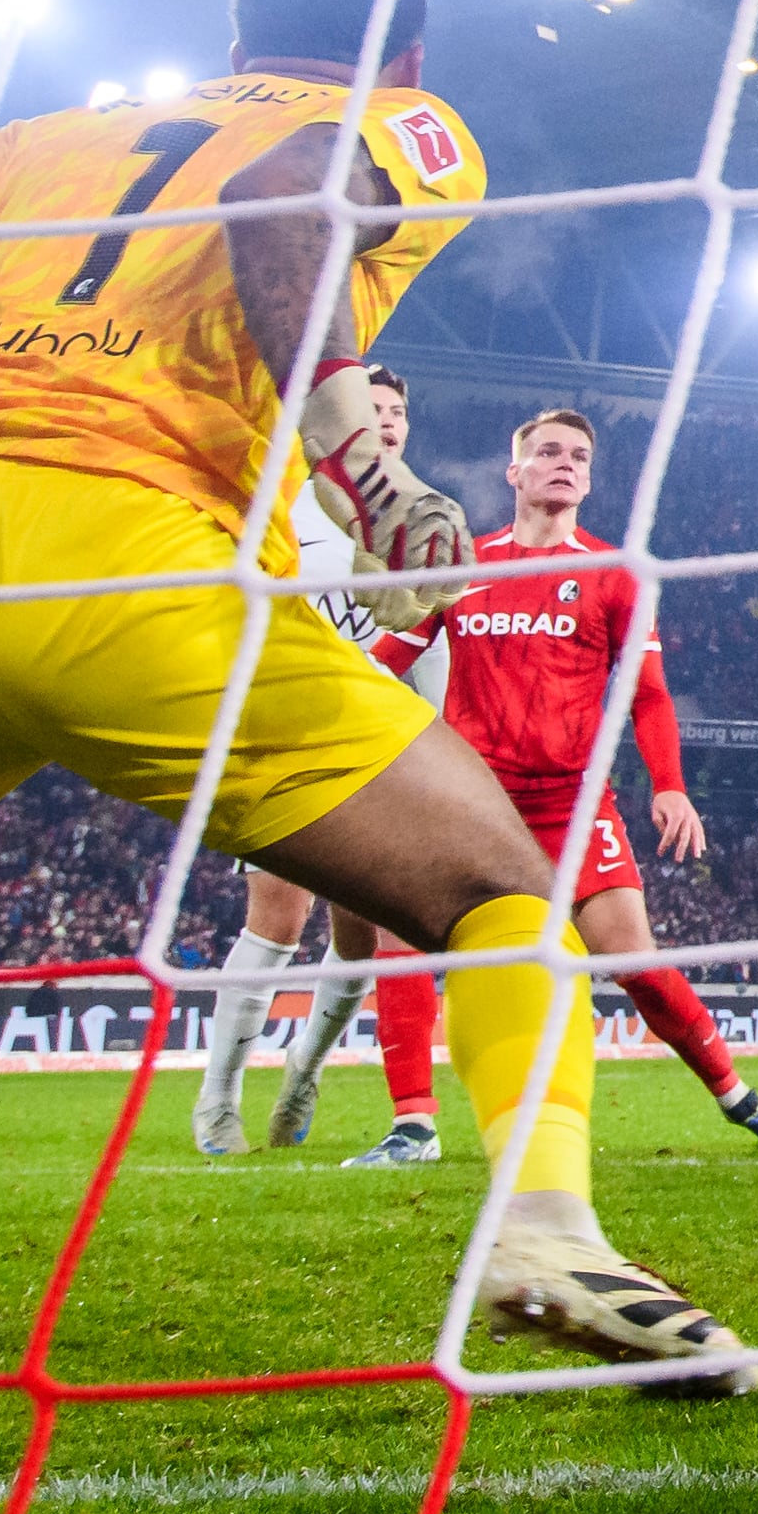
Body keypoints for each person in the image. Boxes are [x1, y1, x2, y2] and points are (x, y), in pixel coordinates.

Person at [0, 0, 758, 1391]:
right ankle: (545, 1230)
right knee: (496, 888)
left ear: (235, 36)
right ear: (411, 55)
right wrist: (364, 460)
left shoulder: (55, 134)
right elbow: (282, 197)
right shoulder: (405, 125)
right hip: (138, 569)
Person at [378, 408, 758, 1150]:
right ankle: (413, 1122)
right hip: (473, 802)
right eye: (546, 451)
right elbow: (385, 662)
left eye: (577, 454)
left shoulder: (614, 575)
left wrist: (670, 784)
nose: (564, 462)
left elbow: (648, 692)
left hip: (572, 808)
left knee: (633, 962)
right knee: (399, 939)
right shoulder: (463, 567)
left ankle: (739, 1098)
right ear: (514, 472)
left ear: (588, 475)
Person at [194, 364, 451, 1160]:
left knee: (362, 932)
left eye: (397, 410)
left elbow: (441, 643)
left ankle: (304, 1070)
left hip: (377, 743)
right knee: (277, 914)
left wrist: (437, 741)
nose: (386, 420)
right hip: (283, 728)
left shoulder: (424, 523)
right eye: (370, 409)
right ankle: (219, 1101)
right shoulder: (283, 510)